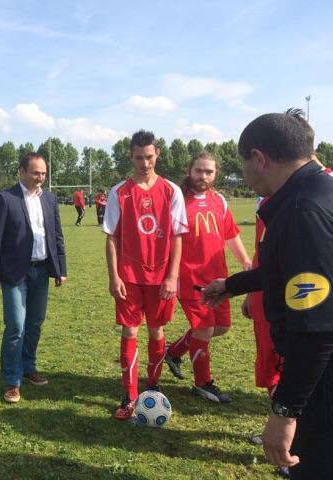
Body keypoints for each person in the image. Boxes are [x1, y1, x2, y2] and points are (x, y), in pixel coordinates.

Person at [202, 113, 333, 479]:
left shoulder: (302, 210)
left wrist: (285, 411)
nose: (244, 173)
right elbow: (293, 268)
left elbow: (317, 328)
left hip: (322, 379)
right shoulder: (320, 190)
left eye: (242, 163)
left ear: (258, 159)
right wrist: (234, 285)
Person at [103, 130, 188, 421]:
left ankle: (152, 386)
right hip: (129, 277)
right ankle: (129, 395)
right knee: (130, 331)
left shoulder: (171, 191)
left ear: (157, 154)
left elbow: (177, 236)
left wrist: (172, 277)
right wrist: (114, 276)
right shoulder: (119, 192)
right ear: (131, 157)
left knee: (156, 331)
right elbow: (111, 237)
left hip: (161, 277)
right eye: (139, 158)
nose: (145, 163)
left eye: (149, 157)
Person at [164, 152, 251, 403]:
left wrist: (245, 261)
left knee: (221, 327)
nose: (203, 176)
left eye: (209, 171)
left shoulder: (219, 200)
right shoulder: (177, 200)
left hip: (219, 279)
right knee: (204, 329)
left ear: (216, 174)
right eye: (199, 170)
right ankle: (202, 383)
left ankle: (173, 352)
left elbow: (230, 235)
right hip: (190, 277)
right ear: (189, 171)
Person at [0, 152, 67, 403]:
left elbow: (57, 235)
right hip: (14, 273)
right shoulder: (5, 199)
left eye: (43, 173)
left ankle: (28, 366)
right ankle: (12, 380)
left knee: (34, 324)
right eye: (35, 173)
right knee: (16, 327)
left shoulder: (49, 199)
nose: (40, 177)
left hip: (41, 271)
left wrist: (61, 269)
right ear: (21, 171)